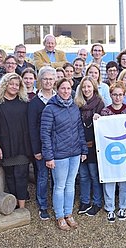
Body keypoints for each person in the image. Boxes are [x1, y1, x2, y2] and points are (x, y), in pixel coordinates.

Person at [40, 78, 88, 231]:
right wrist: (49, 156)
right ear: (57, 89)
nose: (66, 91)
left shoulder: (74, 107)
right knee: (59, 186)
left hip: (74, 152)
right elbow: (45, 134)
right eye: (63, 88)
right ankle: (60, 216)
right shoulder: (50, 109)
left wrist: (83, 149)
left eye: (68, 88)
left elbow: (79, 129)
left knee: (70, 184)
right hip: (59, 154)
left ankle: (68, 213)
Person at [0, 73, 32, 209]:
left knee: (21, 175)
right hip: (5, 146)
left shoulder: (24, 102)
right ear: (5, 84)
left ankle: (22, 207)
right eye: (11, 84)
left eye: (17, 85)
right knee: (10, 176)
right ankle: (15, 203)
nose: (14, 87)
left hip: (22, 146)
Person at [94, 82, 126, 222]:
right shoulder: (105, 111)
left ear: (124, 95)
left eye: (120, 95)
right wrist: (97, 120)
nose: (117, 97)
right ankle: (110, 207)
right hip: (109, 151)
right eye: (115, 95)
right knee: (109, 180)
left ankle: (123, 206)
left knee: (124, 180)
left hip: (125, 150)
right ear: (110, 95)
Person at [27, 66, 57, 220]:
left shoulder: (59, 99)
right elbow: (31, 128)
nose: (48, 82)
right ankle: (43, 205)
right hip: (41, 147)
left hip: (58, 147)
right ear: (40, 81)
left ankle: (56, 204)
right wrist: (36, 150)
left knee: (58, 178)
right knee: (43, 177)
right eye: (45, 79)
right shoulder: (34, 103)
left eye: (51, 79)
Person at [75, 76, 105, 217]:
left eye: (89, 86)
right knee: (83, 175)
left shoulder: (100, 104)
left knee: (94, 175)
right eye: (84, 87)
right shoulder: (77, 104)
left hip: (94, 146)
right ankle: (85, 201)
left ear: (94, 87)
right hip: (80, 144)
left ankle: (97, 202)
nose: (86, 89)